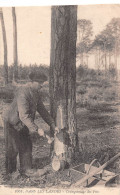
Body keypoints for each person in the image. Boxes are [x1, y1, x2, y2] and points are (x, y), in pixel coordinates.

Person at [3, 71, 57, 175]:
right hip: (11, 121)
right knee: (12, 149)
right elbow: (24, 115)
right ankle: (10, 173)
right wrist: (37, 129)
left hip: (23, 122)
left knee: (26, 145)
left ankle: (26, 170)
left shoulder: (36, 93)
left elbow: (42, 110)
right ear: (31, 82)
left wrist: (52, 124)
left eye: (43, 83)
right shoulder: (23, 92)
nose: (42, 85)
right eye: (40, 83)